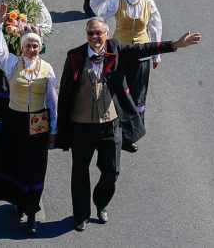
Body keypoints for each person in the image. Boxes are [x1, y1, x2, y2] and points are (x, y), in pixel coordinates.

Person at [56, 18, 200, 231]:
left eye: (98, 33)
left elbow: (143, 48)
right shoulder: (75, 56)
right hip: (82, 125)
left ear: (106, 33)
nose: (95, 37)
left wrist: (174, 45)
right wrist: (60, 127)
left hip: (110, 123)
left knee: (112, 170)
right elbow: (65, 93)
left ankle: (101, 201)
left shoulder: (115, 48)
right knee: (79, 171)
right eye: (90, 34)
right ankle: (81, 215)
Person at [0, 3, 57, 235]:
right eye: (28, 46)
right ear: (22, 47)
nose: (31, 49)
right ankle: (17, 199)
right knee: (14, 161)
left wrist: (53, 129)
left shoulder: (47, 69)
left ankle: (32, 211)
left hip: (37, 121)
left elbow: (53, 102)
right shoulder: (12, 63)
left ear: (39, 47)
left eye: (35, 46)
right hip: (14, 119)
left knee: (35, 165)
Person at [88, 0, 161, 130]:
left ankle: (135, 129)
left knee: (139, 92)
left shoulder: (149, 4)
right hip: (119, 53)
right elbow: (95, 7)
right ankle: (117, 126)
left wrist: (156, 56)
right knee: (119, 89)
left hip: (142, 54)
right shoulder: (117, 1)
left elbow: (155, 29)